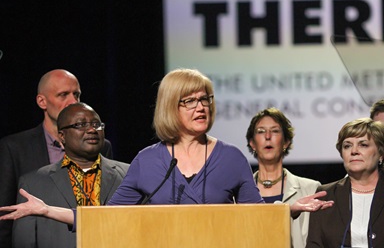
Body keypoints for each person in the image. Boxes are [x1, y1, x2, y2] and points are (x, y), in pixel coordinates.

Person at [0, 68, 333, 230]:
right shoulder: (148, 160)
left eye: (205, 100)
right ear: (171, 108)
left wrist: (291, 208)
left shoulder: (231, 157)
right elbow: (103, 218)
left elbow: (256, 215)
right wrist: (47, 210)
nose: (201, 107)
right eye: (189, 101)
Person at [0, 69, 113, 247]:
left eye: (76, 94)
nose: (73, 102)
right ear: (42, 101)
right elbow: (6, 214)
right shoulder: (14, 148)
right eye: (63, 95)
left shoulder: (101, 145)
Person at [12, 102, 129, 248]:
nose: (92, 129)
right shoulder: (33, 183)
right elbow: (24, 241)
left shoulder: (128, 175)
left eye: (97, 124)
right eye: (80, 125)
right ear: (62, 136)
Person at [246, 107, 321, 248]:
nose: (268, 136)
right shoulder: (239, 192)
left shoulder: (311, 188)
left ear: (286, 142)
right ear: (252, 143)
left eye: (275, 131)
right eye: (261, 131)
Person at [306, 118, 384, 247]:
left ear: (381, 153)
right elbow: (315, 244)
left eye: (363, 145)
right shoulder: (326, 194)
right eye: (347, 146)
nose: (354, 151)